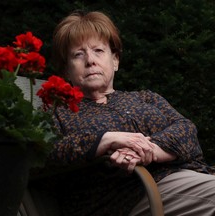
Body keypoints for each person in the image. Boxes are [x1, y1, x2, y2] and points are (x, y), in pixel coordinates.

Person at [44, 10, 215, 216]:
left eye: (98, 50)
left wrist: (146, 151)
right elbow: (46, 153)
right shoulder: (59, 112)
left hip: (181, 179)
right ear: (66, 70)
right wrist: (105, 140)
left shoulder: (145, 97)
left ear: (115, 60)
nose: (90, 60)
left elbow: (186, 131)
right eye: (78, 54)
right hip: (126, 197)